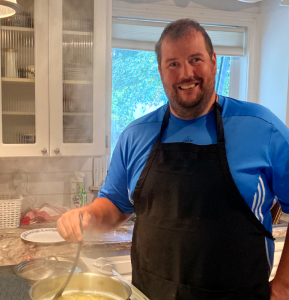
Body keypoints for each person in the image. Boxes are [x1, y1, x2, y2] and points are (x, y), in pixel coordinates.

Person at [57, 18, 289, 300]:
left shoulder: (262, 128)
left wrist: (283, 287)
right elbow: (115, 206)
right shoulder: (136, 135)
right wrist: (87, 215)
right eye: (173, 64)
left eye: (195, 59)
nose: (186, 73)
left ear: (214, 62)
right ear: (161, 71)